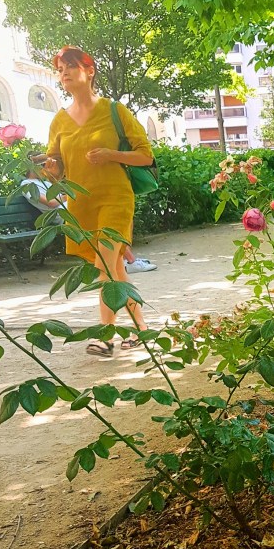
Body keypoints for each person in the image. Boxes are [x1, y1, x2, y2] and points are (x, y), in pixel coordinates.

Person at [46, 45, 156, 356]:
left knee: (105, 262)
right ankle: (142, 330)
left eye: (70, 66)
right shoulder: (59, 120)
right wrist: (52, 168)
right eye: (60, 69)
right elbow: (56, 168)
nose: (64, 73)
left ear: (89, 71)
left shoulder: (114, 111)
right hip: (82, 204)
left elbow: (145, 156)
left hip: (115, 198)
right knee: (116, 269)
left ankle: (106, 336)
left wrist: (111, 154)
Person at [21, 162, 157, 273]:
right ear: (33, 166)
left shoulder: (45, 183)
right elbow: (50, 203)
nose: (46, 168)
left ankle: (124, 259)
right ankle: (131, 261)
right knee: (109, 224)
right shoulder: (26, 185)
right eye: (44, 165)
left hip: (74, 208)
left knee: (122, 218)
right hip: (64, 215)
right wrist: (72, 194)